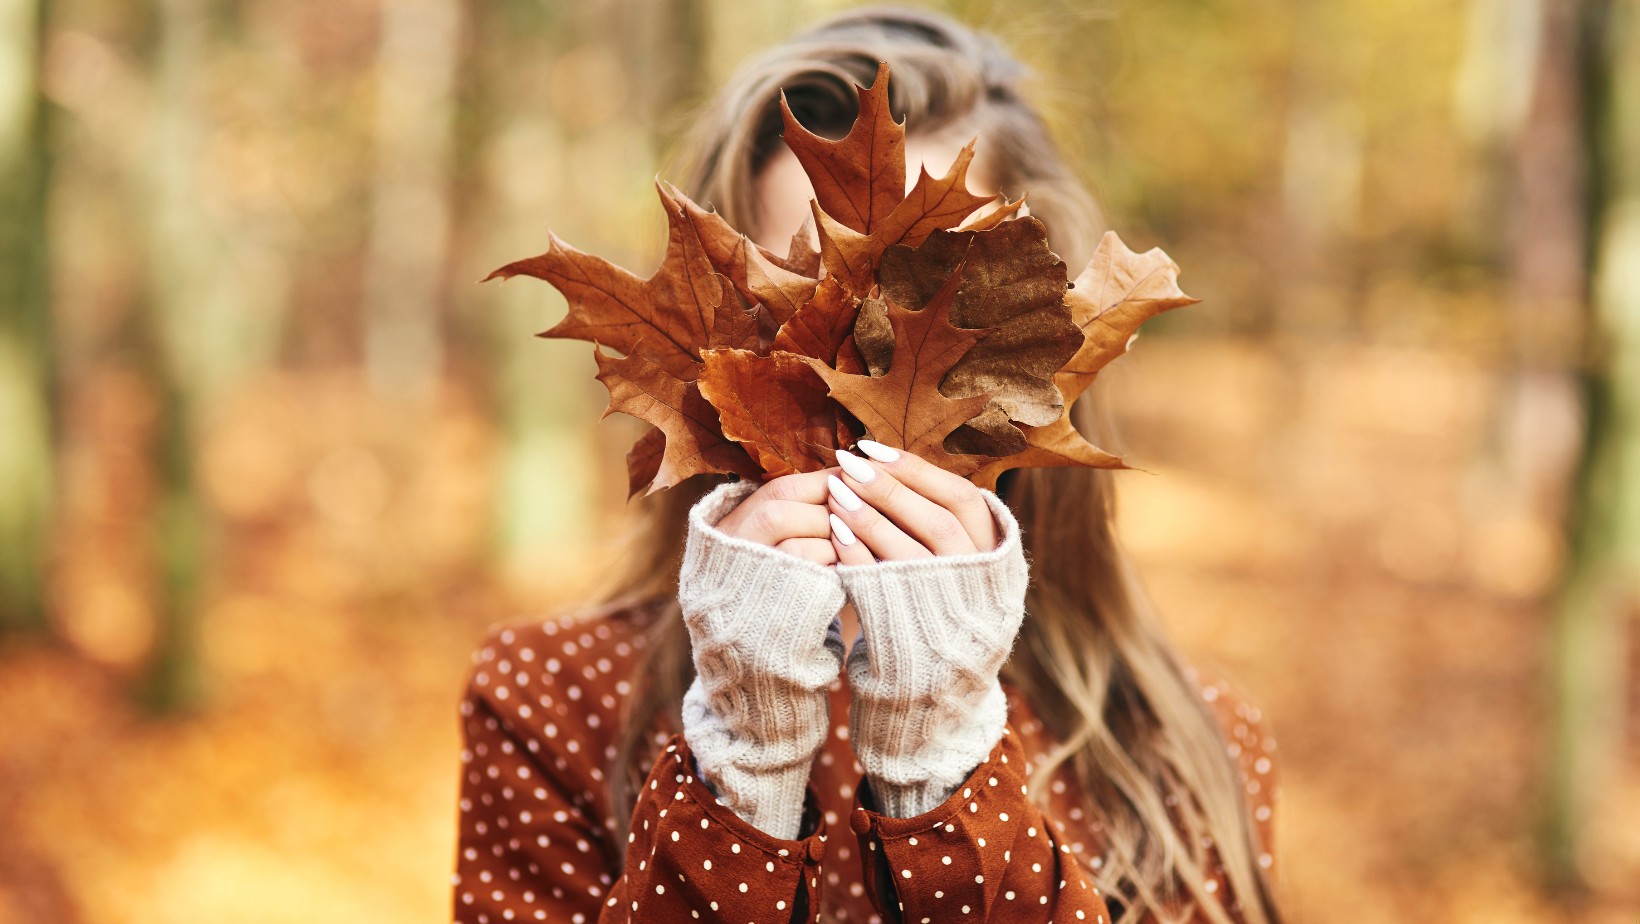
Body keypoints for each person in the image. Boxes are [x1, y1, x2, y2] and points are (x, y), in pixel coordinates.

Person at [452, 7, 1283, 923]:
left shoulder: (1183, 750)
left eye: (927, 308)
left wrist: (945, 775)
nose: (855, 379)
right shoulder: (558, 701)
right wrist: (744, 770)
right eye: (797, 307)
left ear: (1048, 344)